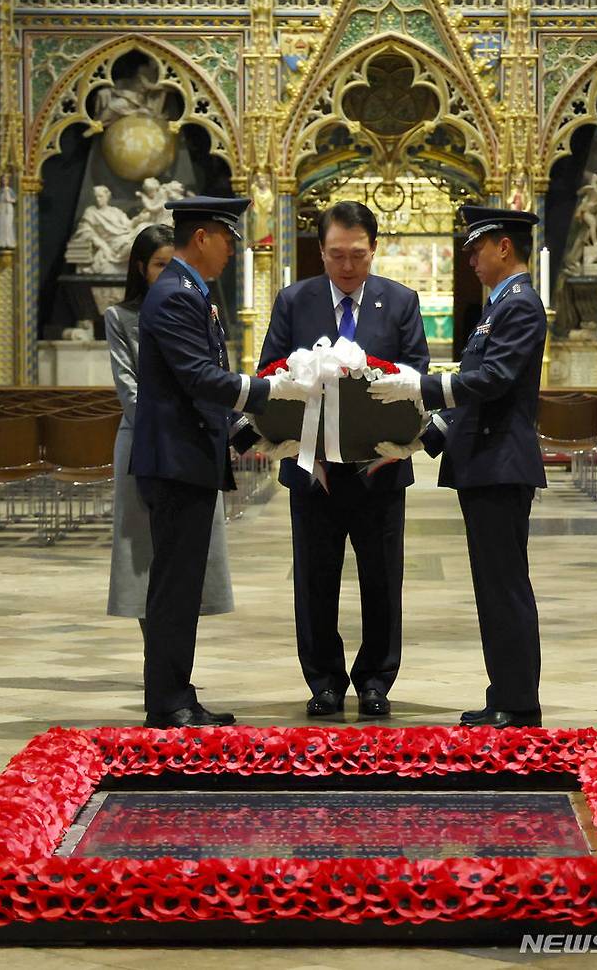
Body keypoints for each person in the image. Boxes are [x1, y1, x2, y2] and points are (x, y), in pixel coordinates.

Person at [258, 200, 442, 720]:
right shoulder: (295, 301)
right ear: (320, 251)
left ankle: (377, 679)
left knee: (382, 579)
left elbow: (418, 376)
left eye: (357, 255)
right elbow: (268, 372)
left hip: (378, 469)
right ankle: (324, 681)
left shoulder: (400, 301)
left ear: (374, 250)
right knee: (315, 579)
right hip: (312, 469)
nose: (346, 266)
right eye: (336, 255)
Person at [130, 195, 308, 729]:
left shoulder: (192, 293)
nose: (233, 250)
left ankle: (176, 693)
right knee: (174, 586)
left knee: (184, 584)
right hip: (175, 460)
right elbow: (200, 378)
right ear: (203, 236)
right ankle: (167, 700)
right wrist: (272, 391)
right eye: (228, 238)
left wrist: (246, 428)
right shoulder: (174, 296)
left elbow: (206, 382)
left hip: (188, 457)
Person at [370, 206, 546, 730]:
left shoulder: (520, 306)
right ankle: (505, 694)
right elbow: (472, 396)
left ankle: (517, 702)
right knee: (493, 587)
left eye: (476, 248)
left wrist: (417, 386)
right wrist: (416, 440)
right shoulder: (499, 307)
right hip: (485, 462)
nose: (469, 258)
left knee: (504, 586)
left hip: (500, 464)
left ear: (504, 247)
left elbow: (491, 380)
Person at [105, 224, 234, 657]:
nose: (166, 273)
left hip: (188, 445)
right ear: (141, 268)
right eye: (158, 265)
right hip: (150, 445)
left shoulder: (197, 302)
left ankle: (173, 670)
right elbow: (132, 393)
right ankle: (162, 670)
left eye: (169, 264)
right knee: (148, 560)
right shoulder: (121, 317)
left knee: (186, 560)